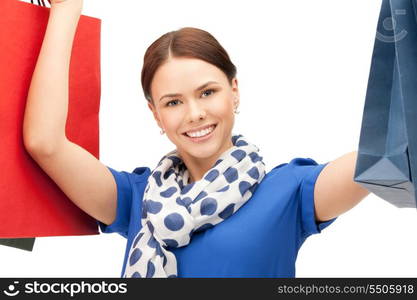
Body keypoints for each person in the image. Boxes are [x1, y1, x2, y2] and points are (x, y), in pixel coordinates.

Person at [23, 0, 370, 278]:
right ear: (155, 114)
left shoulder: (289, 192)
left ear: (234, 91)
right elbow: (45, 143)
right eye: (173, 102)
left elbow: (385, 153)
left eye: (207, 92)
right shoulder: (137, 199)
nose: (194, 113)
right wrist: (67, 10)